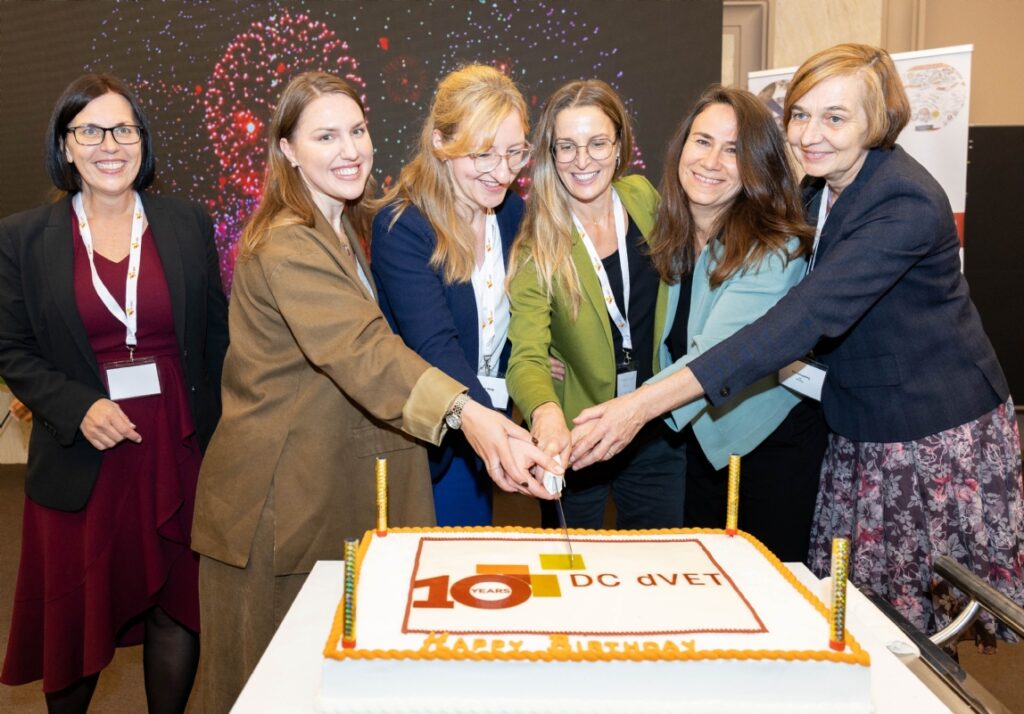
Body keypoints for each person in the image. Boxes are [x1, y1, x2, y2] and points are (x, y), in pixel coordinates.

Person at [571, 45, 1023, 647]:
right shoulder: (819, 189)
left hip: (925, 428)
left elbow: (802, 319)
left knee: (911, 619)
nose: (811, 134)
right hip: (854, 419)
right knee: (848, 606)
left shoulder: (903, 200)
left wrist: (640, 405)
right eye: (801, 114)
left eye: (835, 118)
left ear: (878, 120)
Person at [190, 71, 559, 713]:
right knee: (265, 688)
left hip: (326, 487)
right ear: (287, 150)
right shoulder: (286, 243)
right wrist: (471, 415)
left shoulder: (345, 225)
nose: (349, 149)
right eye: (325, 136)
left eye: (356, 131)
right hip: (274, 508)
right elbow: (364, 350)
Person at [0, 74, 228, 713]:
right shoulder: (22, 238)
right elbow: (11, 347)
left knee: (176, 607)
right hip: (83, 455)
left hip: (176, 448)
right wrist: (77, 406)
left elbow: (217, 337)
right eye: (90, 130)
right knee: (76, 621)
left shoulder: (186, 224)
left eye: (123, 129)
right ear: (65, 146)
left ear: (142, 142)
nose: (109, 144)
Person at [628, 85, 827, 561]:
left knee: (769, 604)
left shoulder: (775, 247)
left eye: (734, 149)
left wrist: (624, 415)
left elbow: (713, 356)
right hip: (704, 445)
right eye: (702, 141)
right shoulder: (673, 233)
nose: (712, 161)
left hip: (769, 451)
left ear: (759, 164)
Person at [506, 79, 686, 529]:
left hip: (655, 428)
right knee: (573, 577)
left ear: (620, 144)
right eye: (566, 147)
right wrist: (545, 414)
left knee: (656, 570)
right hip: (575, 437)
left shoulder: (643, 197)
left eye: (597, 143)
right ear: (550, 153)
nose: (582, 161)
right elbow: (526, 355)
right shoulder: (537, 245)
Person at [371, 65, 531, 526]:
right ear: (440, 142)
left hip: (489, 425)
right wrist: (500, 433)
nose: (502, 173)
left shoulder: (511, 213)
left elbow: (516, 314)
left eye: (514, 153)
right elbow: (435, 345)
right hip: (431, 445)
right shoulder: (404, 225)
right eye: (483, 155)